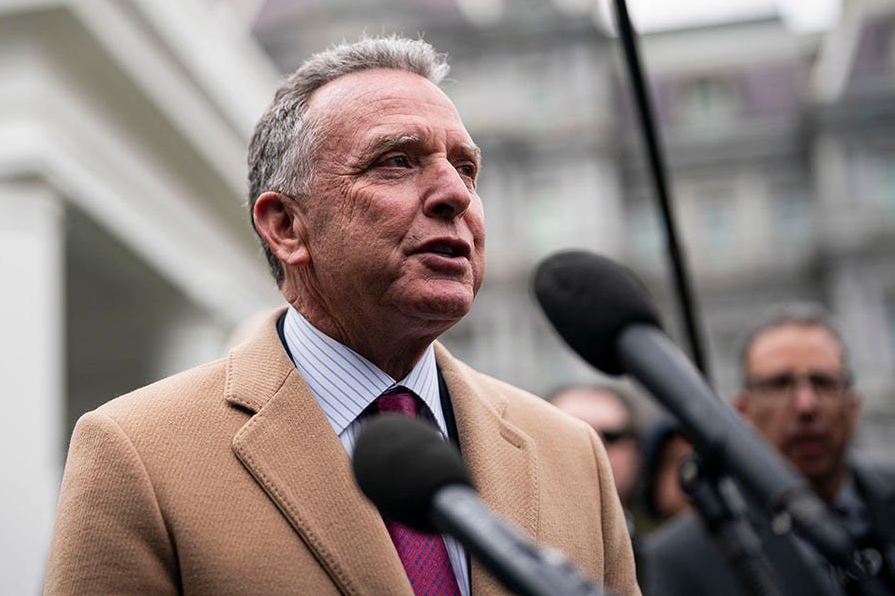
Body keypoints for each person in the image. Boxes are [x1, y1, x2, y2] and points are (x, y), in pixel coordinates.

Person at [44, 36, 638, 595]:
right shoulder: (136, 453)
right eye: (398, 161)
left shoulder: (573, 455)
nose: (455, 194)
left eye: (466, 168)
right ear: (286, 227)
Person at [642, 302, 895, 596]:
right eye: (779, 384)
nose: (805, 405)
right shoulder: (686, 556)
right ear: (743, 413)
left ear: (853, 407)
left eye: (823, 382)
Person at [547, 384, 642, 509]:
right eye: (572, 435)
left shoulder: (669, 523)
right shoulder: (514, 527)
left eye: (611, 436)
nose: (595, 448)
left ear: (635, 450)